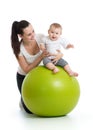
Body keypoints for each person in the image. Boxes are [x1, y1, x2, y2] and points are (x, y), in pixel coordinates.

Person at [11, 20, 63, 114]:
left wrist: (59, 55)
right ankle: (22, 101)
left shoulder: (41, 38)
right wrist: (41, 57)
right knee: (29, 110)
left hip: (40, 75)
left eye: (33, 31)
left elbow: (56, 49)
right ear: (21, 36)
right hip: (24, 77)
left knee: (46, 100)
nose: (33, 35)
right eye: (29, 34)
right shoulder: (18, 48)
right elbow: (26, 70)